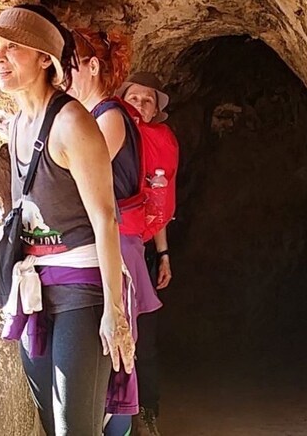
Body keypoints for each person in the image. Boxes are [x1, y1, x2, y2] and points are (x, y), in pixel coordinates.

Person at [0, 5, 135, 436]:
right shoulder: (18, 125)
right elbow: (25, 218)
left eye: (13, 48)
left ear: (45, 60)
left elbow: (105, 218)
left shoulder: (73, 123)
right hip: (34, 291)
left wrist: (114, 311)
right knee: (51, 421)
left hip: (82, 289)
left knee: (76, 428)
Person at [68, 29, 163, 436]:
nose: (62, 72)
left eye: (68, 63)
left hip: (117, 243)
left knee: (117, 358)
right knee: (109, 357)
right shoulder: (94, 116)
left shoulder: (108, 116)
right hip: (107, 242)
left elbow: (80, 176)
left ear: (92, 66)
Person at [117, 72, 177, 430]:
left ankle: (146, 411)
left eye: (148, 100)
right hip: (113, 246)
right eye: (134, 98)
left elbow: (160, 200)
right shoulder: (110, 133)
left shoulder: (163, 141)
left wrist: (164, 254)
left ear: (157, 110)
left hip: (145, 247)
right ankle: (118, 414)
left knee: (147, 339)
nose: (140, 105)